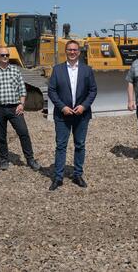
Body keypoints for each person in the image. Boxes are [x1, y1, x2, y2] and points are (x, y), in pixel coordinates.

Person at [47, 40, 97, 191]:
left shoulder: (87, 70)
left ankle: (78, 174)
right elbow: (52, 91)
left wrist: (84, 106)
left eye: (75, 50)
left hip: (81, 114)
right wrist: (62, 107)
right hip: (63, 115)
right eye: (70, 50)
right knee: (61, 145)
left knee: (80, 145)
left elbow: (93, 90)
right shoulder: (57, 69)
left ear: (79, 52)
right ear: (66, 51)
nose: (72, 52)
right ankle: (58, 177)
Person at [0, 46, 41, 172]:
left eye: (7, 55)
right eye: (2, 55)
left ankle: (30, 159)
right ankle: (4, 160)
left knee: (23, 133)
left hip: (15, 108)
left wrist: (21, 104)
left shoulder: (15, 71)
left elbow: (22, 89)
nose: (5, 57)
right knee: (1, 135)